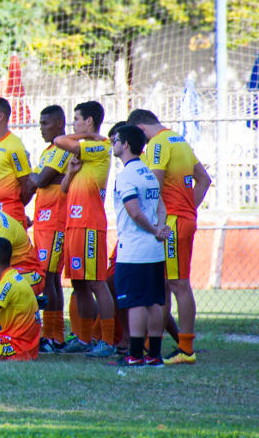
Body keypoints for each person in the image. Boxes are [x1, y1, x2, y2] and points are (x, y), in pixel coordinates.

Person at [128, 109, 211, 365]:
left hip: (172, 222)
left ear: (141, 130)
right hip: (181, 219)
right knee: (163, 285)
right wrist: (189, 209)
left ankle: (186, 349)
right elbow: (204, 180)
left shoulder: (159, 144)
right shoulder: (179, 140)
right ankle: (152, 344)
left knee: (178, 284)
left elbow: (153, 188)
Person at [54, 100, 116, 357]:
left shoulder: (99, 146)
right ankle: (84, 337)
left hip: (90, 224)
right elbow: (65, 189)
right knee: (79, 283)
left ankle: (108, 341)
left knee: (96, 282)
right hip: (74, 225)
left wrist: (86, 135)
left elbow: (59, 140)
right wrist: (70, 172)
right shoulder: (82, 154)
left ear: (88, 121)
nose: (74, 125)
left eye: (77, 120)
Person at [109, 125, 170, 367]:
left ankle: (134, 354)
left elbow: (133, 212)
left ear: (125, 145)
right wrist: (160, 228)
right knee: (154, 301)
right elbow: (161, 207)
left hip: (134, 249)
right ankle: (154, 354)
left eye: (116, 140)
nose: (113, 143)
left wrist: (155, 229)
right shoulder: (147, 173)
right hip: (154, 249)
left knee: (135, 302)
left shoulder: (126, 176)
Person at [31, 105, 73, 352]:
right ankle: (52, 334)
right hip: (43, 221)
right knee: (49, 278)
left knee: (50, 278)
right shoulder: (48, 151)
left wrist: (35, 177)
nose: (41, 128)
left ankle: (54, 336)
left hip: (56, 221)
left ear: (59, 123)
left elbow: (40, 180)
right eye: (40, 123)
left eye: (45, 123)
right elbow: (39, 180)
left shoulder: (62, 147)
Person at [0, 97, 34, 223]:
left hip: (7, 212)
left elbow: (26, 183)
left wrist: (14, 206)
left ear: (0, 117)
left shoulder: (14, 145)